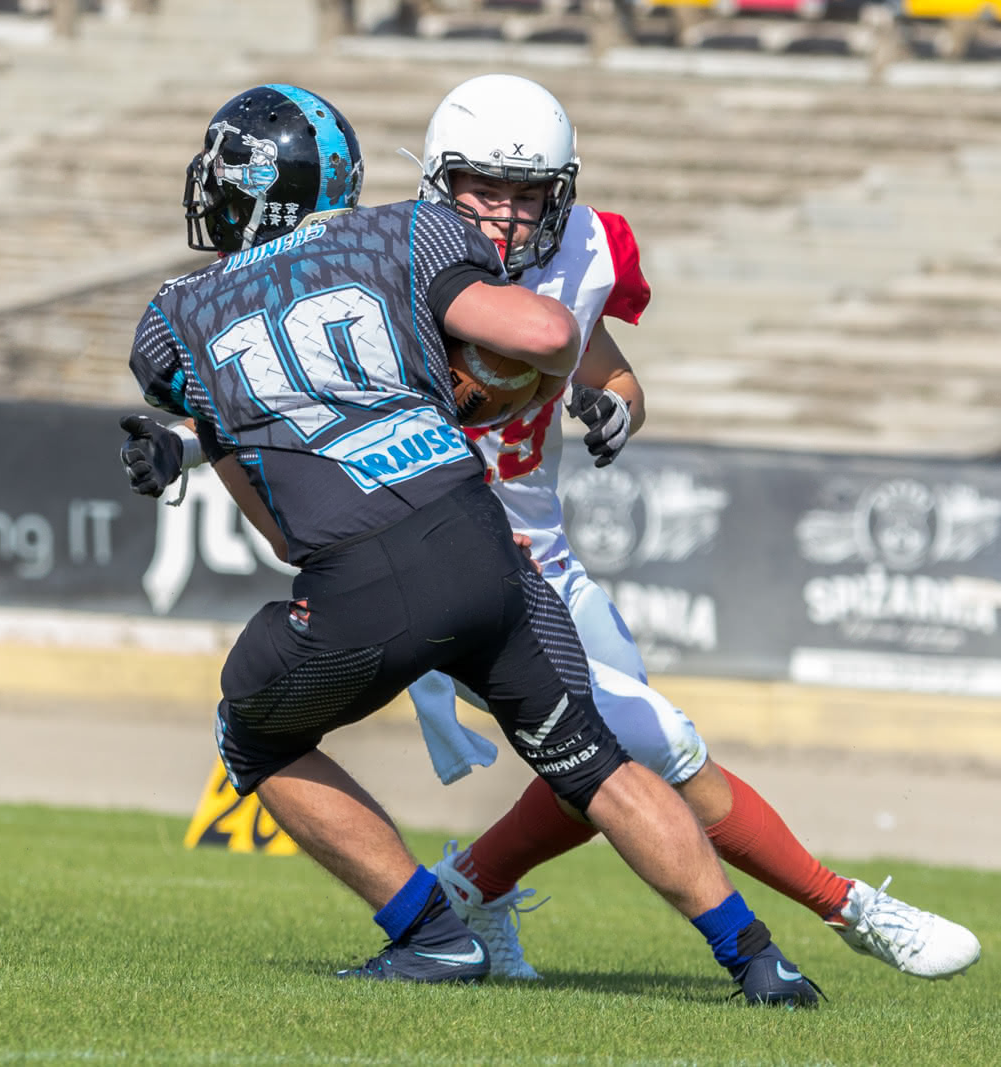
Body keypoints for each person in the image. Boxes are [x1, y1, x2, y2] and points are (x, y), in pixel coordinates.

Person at [119, 82, 823, 1006]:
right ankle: (759, 959)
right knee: (596, 761)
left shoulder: (173, 321)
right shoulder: (402, 234)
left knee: (251, 731)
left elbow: (281, 520)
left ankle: (428, 933)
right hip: (484, 543)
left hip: (359, 571)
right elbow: (542, 331)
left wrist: (198, 444)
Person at [395, 74, 983, 983]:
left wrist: (617, 402)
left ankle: (465, 892)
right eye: (486, 189)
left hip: (547, 556)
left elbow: (602, 360)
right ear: (439, 182)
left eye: (528, 192)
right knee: (658, 742)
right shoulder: (384, 262)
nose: (508, 216)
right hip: (446, 563)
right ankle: (849, 906)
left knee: (608, 761)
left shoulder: (590, 246)